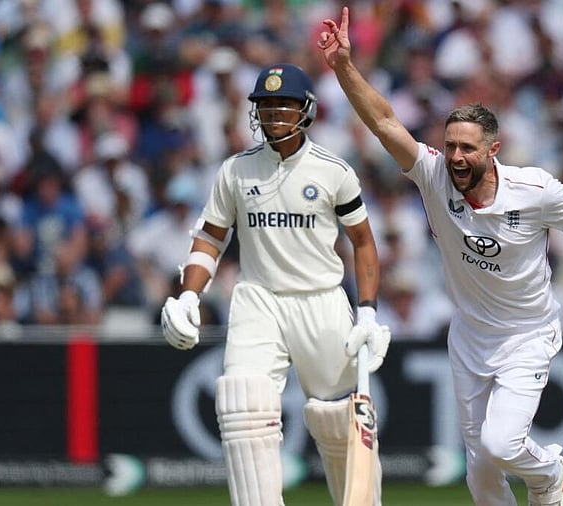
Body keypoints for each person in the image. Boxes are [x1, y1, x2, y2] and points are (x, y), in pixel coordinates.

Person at [318, 7, 563, 506]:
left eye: (468, 148)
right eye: (450, 146)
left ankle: (549, 473)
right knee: (481, 476)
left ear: (493, 149)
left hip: (527, 335)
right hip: (469, 336)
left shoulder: (534, 190)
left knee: (501, 445)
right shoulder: (432, 174)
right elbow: (383, 121)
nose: (456, 157)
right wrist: (344, 67)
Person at [159, 62, 390, 506]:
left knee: (336, 418)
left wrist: (367, 312)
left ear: (306, 109)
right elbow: (211, 236)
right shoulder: (236, 170)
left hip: (320, 300)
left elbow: (363, 242)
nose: (273, 113)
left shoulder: (334, 171)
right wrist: (189, 295)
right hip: (257, 299)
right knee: (242, 405)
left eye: (284, 104)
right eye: (265, 105)